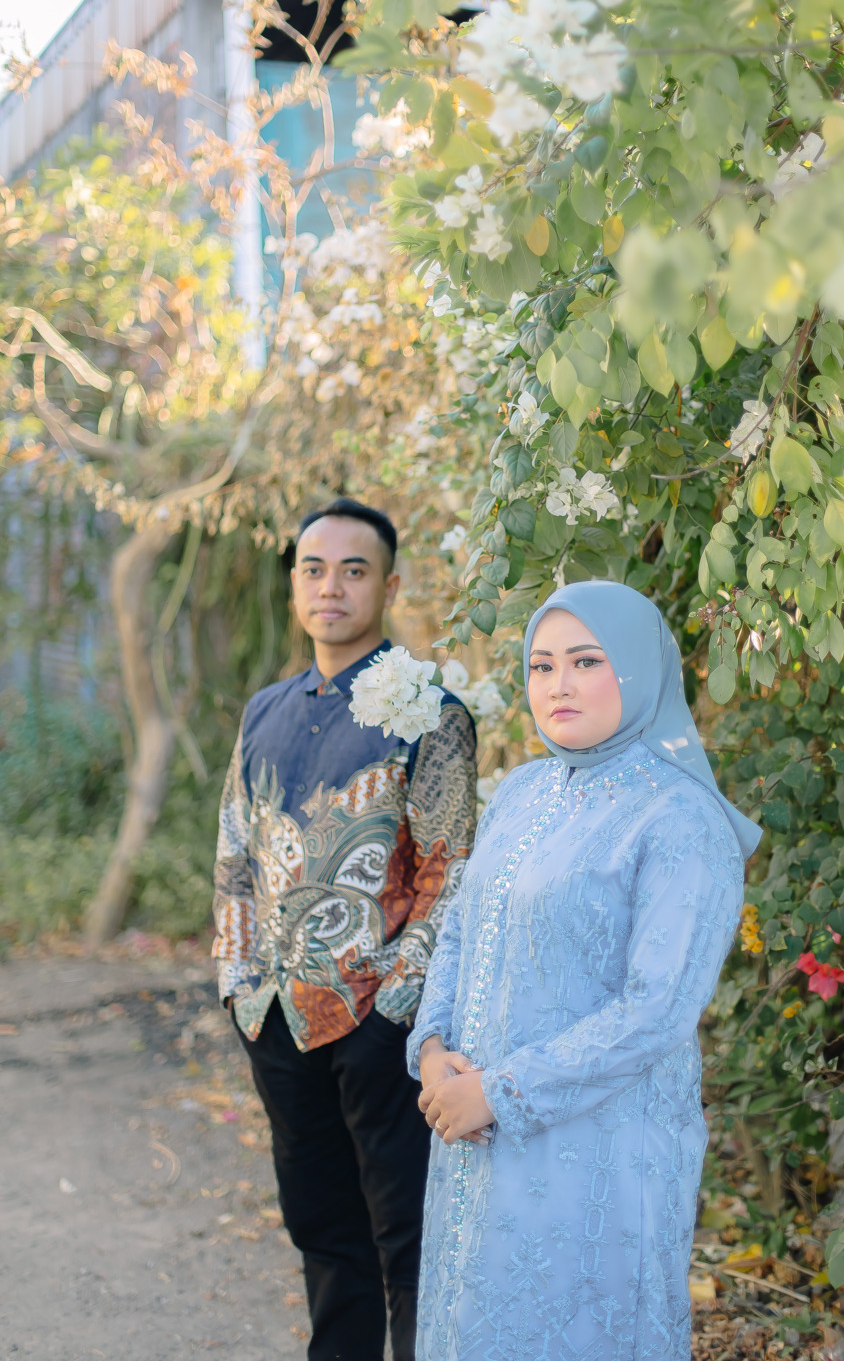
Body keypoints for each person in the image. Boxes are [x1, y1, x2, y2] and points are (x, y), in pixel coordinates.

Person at [408, 579, 761, 1361]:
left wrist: (498, 1092)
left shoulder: (681, 818)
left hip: (601, 1151)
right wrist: (432, 1050)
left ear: (637, 668)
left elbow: (657, 1011)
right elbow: (460, 926)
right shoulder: (523, 791)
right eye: (541, 666)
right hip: (471, 1133)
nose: (558, 685)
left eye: (585, 661)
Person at [212, 497, 477, 1361]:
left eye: (354, 571)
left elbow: (449, 871)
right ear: (294, 582)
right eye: (314, 569)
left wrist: (393, 1010)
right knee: (323, 1231)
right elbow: (235, 853)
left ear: (389, 587)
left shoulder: (429, 712)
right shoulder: (265, 711)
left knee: (407, 1238)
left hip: (379, 1025)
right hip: (277, 1020)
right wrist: (239, 985)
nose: (331, 587)